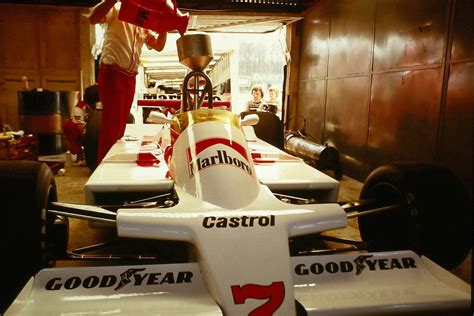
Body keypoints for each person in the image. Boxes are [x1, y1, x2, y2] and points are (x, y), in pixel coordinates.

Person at [88, 0, 168, 164]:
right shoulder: (116, 10)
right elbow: (93, 18)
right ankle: (103, 173)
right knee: (112, 129)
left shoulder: (144, 21)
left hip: (129, 77)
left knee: (118, 129)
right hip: (113, 73)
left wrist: (165, 26)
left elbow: (158, 45)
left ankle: (106, 168)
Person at [62, 84, 99, 165]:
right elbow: (82, 130)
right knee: (68, 125)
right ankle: (79, 154)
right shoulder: (78, 109)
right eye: (93, 105)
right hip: (88, 133)